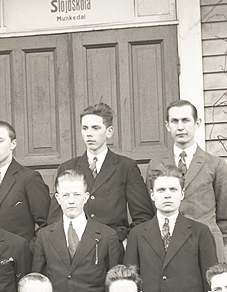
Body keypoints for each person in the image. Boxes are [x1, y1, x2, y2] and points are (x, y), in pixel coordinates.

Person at [32, 169, 122, 292]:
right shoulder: (45, 236)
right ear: (57, 198)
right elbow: (38, 280)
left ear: (86, 197)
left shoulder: (106, 235)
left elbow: (115, 283)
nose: (71, 200)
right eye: (65, 195)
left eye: (77, 195)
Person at [48, 102, 152, 242]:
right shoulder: (67, 168)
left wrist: (127, 241)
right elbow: (54, 218)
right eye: (85, 128)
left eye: (96, 128)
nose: (89, 134)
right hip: (78, 245)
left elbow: (143, 217)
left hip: (113, 243)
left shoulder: (126, 167)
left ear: (109, 131)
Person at [149, 100, 227, 262]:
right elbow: (151, 209)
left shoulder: (215, 165)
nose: (180, 127)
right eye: (174, 121)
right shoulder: (156, 164)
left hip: (206, 250)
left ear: (197, 123)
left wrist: (210, 242)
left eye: (186, 120)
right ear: (167, 126)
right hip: (168, 252)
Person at [0, 121, 51, 243]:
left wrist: (29, 248)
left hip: (20, 252)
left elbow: (47, 223)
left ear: (13, 144)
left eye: (0, 140)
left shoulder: (29, 178)